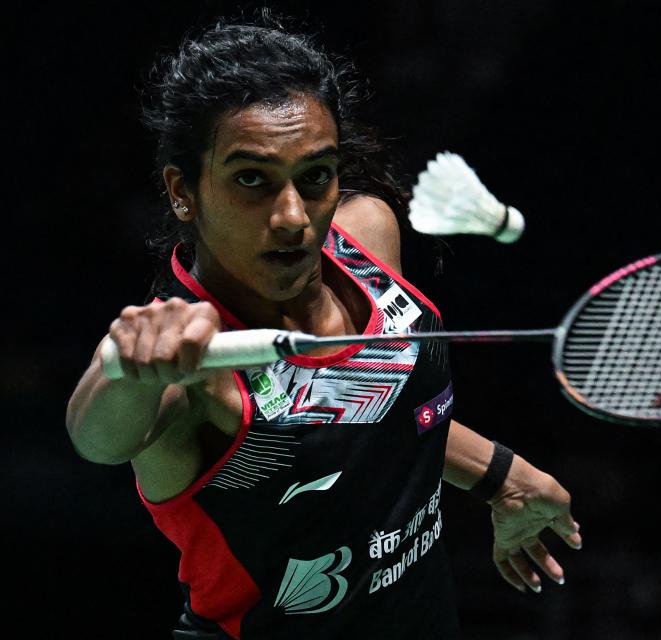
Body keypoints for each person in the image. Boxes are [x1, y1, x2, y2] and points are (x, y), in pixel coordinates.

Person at [65, 13, 581, 640]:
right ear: (182, 191)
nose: (291, 216)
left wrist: (503, 477)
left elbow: (372, 413)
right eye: (250, 179)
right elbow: (97, 438)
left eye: (314, 177)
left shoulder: (368, 236)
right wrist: (127, 364)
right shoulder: (194, 373)